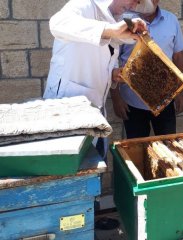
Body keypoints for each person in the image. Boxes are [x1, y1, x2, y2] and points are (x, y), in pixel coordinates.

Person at [43, 0, 147, 158]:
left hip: (95, 114)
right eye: (134, 0)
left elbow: (100, 59)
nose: (134, 6)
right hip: (66, 113)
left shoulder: (114, 18)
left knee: (93, 167)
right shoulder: (84, 4)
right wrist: (110, 30)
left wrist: (113, 74)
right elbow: (57, 23)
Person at [111, 0, 183, 139]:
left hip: (165, 99)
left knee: (168, 146)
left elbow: (178, 56)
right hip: (132, 103)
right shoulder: (124, 21)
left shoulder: (171, 20)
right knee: (136, 149)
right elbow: (112, 61)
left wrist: (181, 92)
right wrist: (116, 99)